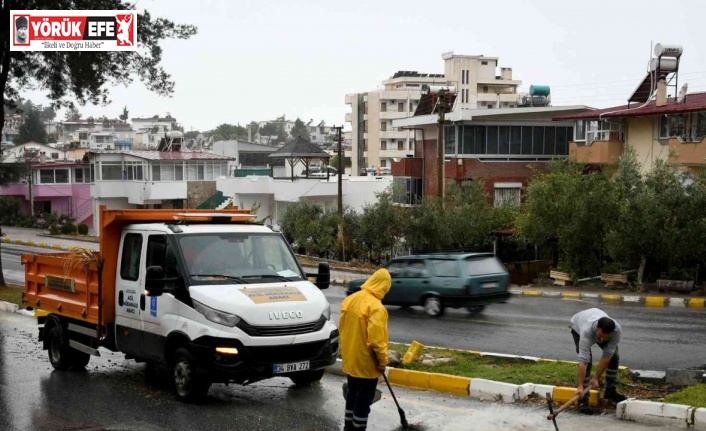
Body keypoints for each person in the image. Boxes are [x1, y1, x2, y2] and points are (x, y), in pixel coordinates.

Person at [339, 268, 391, 431]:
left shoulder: (350, 300)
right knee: (364, 397)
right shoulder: (376, 307)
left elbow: (343, 329)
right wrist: (382, 361)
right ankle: (359, 427)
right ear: (383, 286)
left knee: (352, 392)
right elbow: (376, 341)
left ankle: (349, 425)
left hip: (351, 358)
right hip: (367, 362)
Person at [570, 308, 626, 413]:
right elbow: (583, 361)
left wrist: (596, 378)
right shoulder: (586, 332)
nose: (602, 340)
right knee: (588, 361)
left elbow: (607, 356)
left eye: (605, 337)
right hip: (577, 325)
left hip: (594, 318)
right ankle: (583, 400)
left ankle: (610, 391)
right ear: (597, 329)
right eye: (600, 336)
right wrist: (580, 386)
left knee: (614, 356)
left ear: (611, 333)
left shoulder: (616, 331)